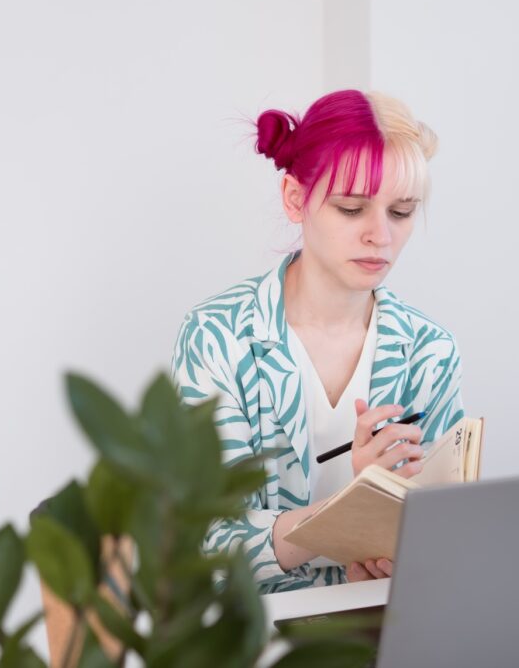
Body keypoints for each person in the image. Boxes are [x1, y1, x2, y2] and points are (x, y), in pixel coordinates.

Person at [171, 89, 466, 593]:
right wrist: (353, 514)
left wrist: (393, 557)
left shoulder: (429, 350)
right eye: (352, 209)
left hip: (387, 631)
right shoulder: (218, 337)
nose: (381, 235)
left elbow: (451, 540)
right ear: (295, 199)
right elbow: (208, 546)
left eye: (401, 212)